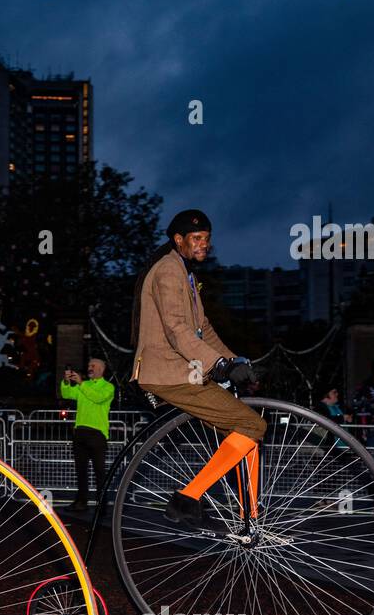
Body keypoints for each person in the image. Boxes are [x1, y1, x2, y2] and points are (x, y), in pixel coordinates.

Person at [130, 209, 266, 532]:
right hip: (170, 373)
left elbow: (202, 328)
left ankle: (252, 522)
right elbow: (177, 330)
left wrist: (235, 362)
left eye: (207, 238)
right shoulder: (168, 271)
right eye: (196, 238)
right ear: (179, 240)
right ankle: (186, 499)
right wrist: (216, 365)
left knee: (247, 435)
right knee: (252, 425)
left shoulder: (187, 275)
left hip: (185, 371)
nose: (204, 244)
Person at [59, 358, 116, 511]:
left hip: (97, 434)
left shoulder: (108, 387)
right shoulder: (84, 385)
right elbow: (67, 394)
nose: (89, 367)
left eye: (93, 366)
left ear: (101, 370)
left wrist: (81, 383)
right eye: (89, 365)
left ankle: (102, 505)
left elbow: (97, 398)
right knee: (81, 470)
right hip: (80, 432)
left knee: (99, 471)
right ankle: (81, 502)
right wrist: (65, 382)